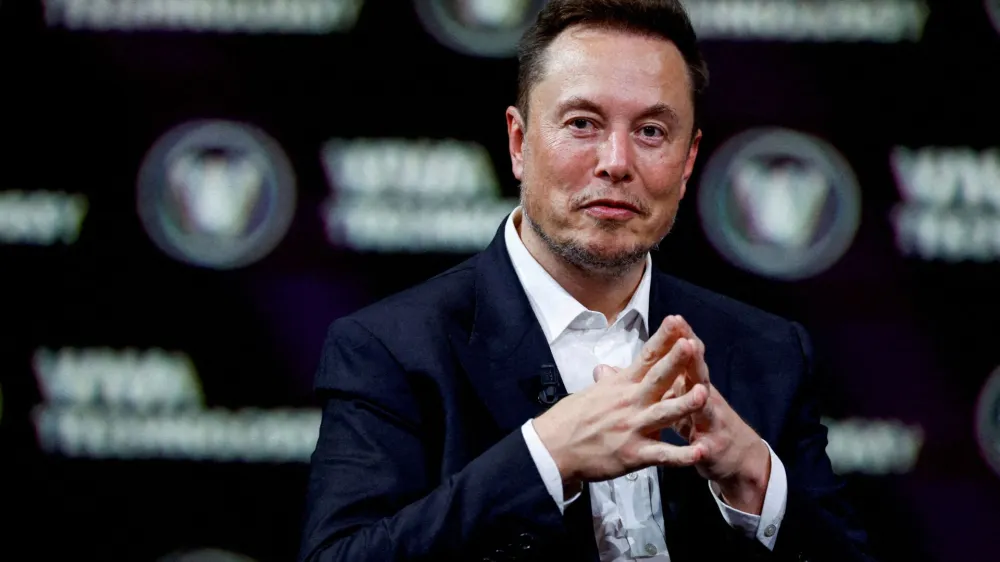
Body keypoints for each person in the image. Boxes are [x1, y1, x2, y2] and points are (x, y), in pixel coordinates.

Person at [299, 1, 874, 561]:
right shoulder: (391, 349)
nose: (617, 161)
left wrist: (755, 479)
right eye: (582, 124)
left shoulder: (769, 351)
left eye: (652, 131)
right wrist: (545, 459)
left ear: (689, 159)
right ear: (519, 142)